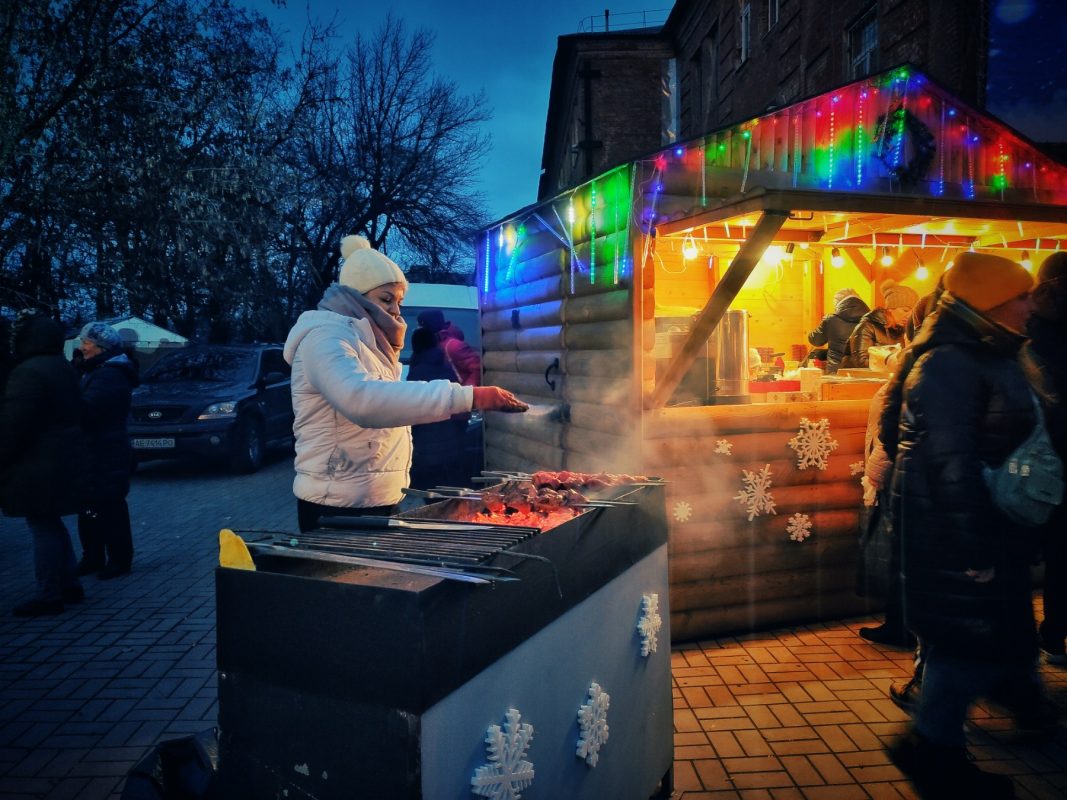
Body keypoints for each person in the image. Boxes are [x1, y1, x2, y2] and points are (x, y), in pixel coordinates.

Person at [882, 253, 1050, 798]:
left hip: (982, 527)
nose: (1031, 304)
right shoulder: (950, 363)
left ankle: (957, 736)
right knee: (963, 644)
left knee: (979, 637)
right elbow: (946, 465)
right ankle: (932, 751)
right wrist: (971, 549)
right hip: (957, 533)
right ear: (991, 301)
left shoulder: (989, 351)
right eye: (1022, 295)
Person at [284, 235, 527, 532]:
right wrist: (468, 397)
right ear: (355, 297)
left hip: (378, 497)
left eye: (399, 301)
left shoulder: (372, 342)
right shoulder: (325, 338)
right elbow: (362, 400)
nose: (397, 311)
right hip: (335, 502)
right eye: (386, 299)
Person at [0, 311, 87, 616]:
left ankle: (49, 593)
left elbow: (14, 423)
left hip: (37, 462)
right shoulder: (61, 367)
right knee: (50, 521)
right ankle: (69, 584)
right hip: (60, 457)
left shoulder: (28, 372)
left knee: (41, 524)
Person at [1026, 252, 1067, 666]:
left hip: (1041, 456)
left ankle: (1046, 636)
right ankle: (1055, 631)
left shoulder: (1030, 328)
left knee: (1030, 548)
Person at [75, 322, 139, 579]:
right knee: (90, 505)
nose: (82, 348)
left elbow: (90, 412)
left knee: (110, 506)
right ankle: (93, 556)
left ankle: (118, 559)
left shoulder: (109, 375)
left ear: (100, 347)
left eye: (86, 343)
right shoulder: (100, 371)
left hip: (106, 450)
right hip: (98, 449)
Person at [407, 327, 468, 490]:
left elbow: (411, 407)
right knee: (449, 482)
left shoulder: (417, 371)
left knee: (431, 487)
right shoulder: (446, 366)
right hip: (449, 433)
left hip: (426, 438)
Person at [843, 280, 918, 368]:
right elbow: (861, 362)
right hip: (858, 379)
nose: (909, 316)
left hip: (886, 378)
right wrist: (889, 361)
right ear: (890, 309)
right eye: (905, 310)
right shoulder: (867, 326)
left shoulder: (904, 331)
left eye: (912, 312)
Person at [807, 288, 870, 373]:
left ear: (838, 303)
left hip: (836, 374)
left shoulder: (831, 319)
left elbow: (815, 340)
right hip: (866, 374)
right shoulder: (871, 319)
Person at [416, 308, 482, 386]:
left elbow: (477, 368)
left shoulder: (453, 346)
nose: (418, 328)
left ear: (429, 325)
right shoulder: (429, 345)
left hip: (456, 395)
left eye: (421, 325)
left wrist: (466, 392)